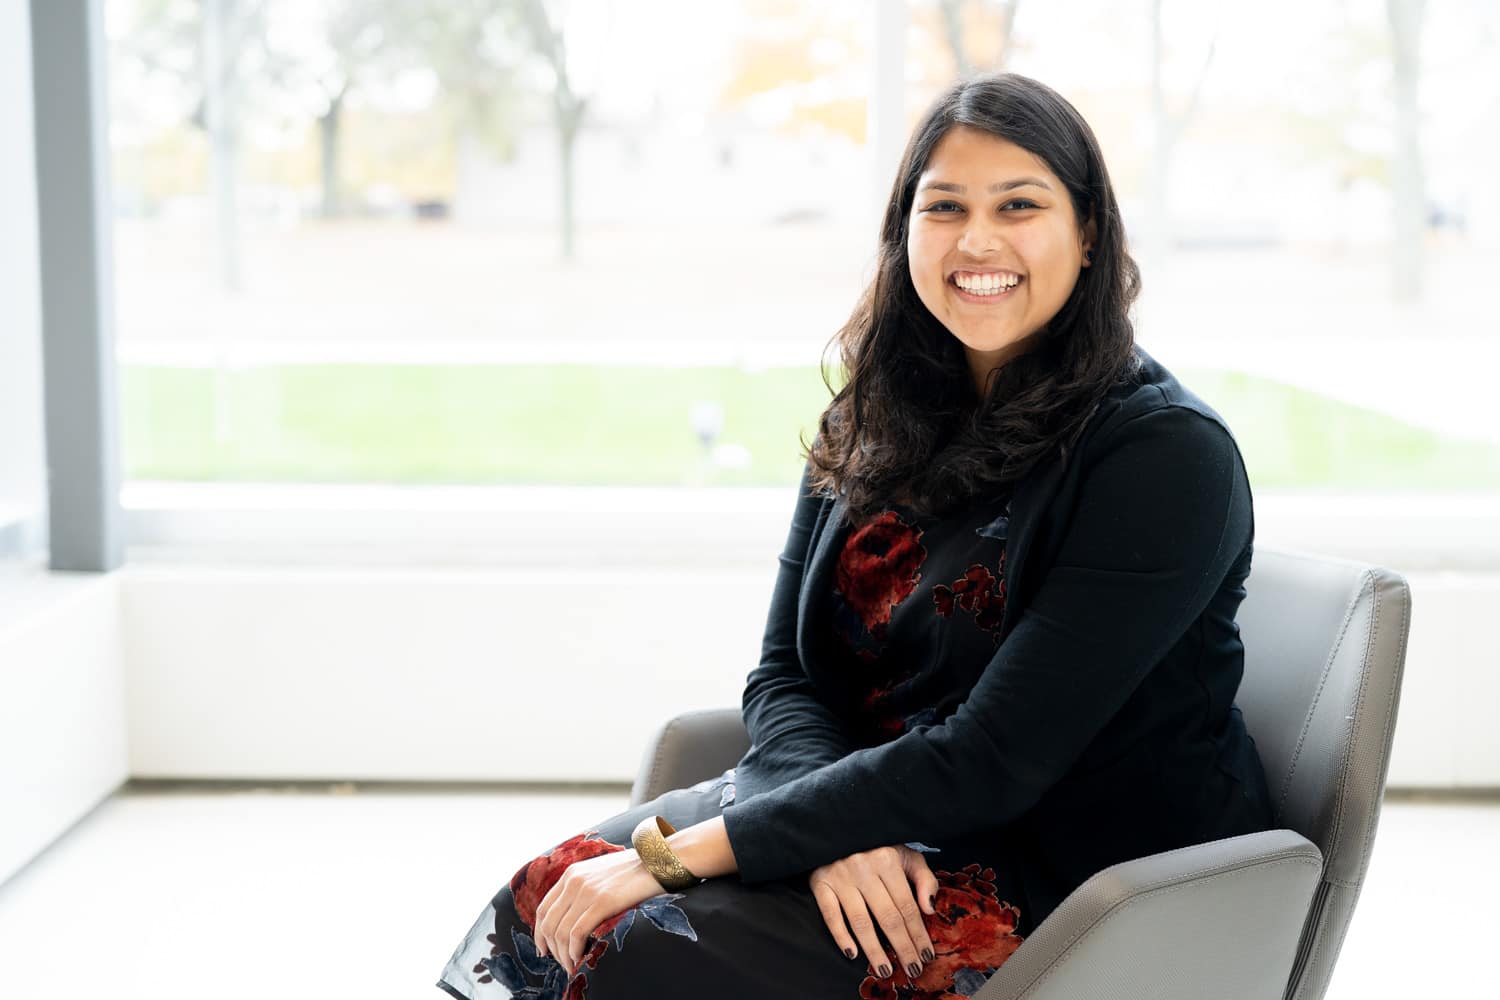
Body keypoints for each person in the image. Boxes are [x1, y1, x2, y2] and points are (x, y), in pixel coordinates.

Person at [435, 70, 1275, 1000]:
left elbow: (997, 756)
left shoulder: (1161, 454)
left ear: (1087, 237)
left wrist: (703, 853)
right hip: (887, 820)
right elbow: (786, 675)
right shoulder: (871, 419)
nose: (978, 239)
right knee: (552, 898)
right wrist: (828, 825)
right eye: (944, 206)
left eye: (1020, 205)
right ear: (904, 234)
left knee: (638, 950)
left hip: (1075, 876)